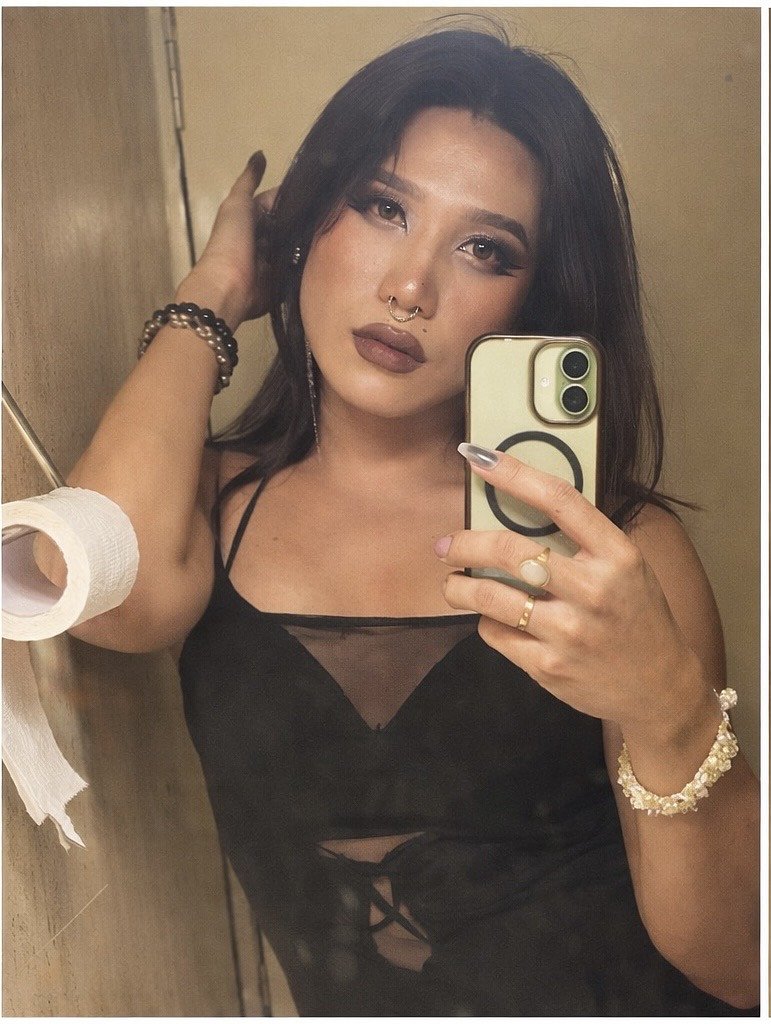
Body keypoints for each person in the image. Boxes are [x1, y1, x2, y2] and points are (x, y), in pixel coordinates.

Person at [48, 26, 758, 1016]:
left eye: (484, 249)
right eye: (383, 206)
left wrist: (670, 708)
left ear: (531, 299)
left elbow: (743, 964)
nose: (409, 287)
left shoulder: (615, 550)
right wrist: (215, 290)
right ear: (308, 218)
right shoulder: (208, 502)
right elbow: (95, 592)